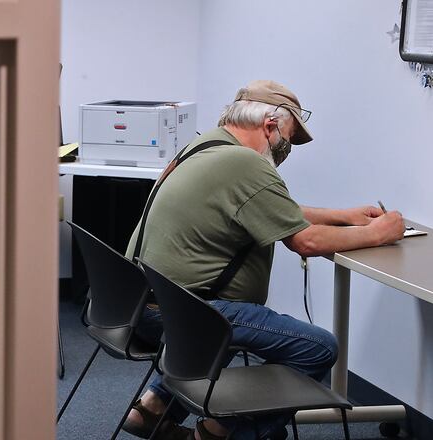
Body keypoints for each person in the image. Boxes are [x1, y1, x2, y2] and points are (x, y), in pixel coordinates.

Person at [121, 80, 406, 440]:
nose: (287, 149)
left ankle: (152, 408)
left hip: (145, 302)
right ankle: (216, 434)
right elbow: (305, 241)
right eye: (287, 137)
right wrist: (383, 232)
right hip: (183, 313)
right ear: (270, 127)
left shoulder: (205, 145)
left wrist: (344, 215)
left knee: (225, 320)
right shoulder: (246, 163)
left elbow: (276, 210)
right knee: (318, 347)